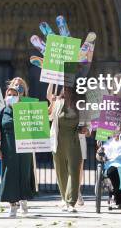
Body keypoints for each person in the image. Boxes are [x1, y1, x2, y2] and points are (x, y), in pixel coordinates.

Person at [0, 83, 36, 218]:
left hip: (25, 149)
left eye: (14, 95)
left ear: (19, 97)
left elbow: (37, 126)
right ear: (5, 97)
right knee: (9, 175)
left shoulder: (27, 110)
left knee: (24, 173)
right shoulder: (1, 112)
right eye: (9, 95)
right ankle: (12, 205)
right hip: (8, 149)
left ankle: (23, 199)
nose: (11, 97)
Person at [48, 84, 87, 212]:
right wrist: (52, 82)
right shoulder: (57, 102)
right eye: (64, 88)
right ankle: (65, 199)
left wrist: (87, 129)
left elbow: (89, 124)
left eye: (69, 88)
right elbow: (49, 115)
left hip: (75, 140)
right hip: (58, 140)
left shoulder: (80, 103)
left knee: (74, 170)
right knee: (61, 171)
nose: (66, 90)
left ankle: (71, 201)